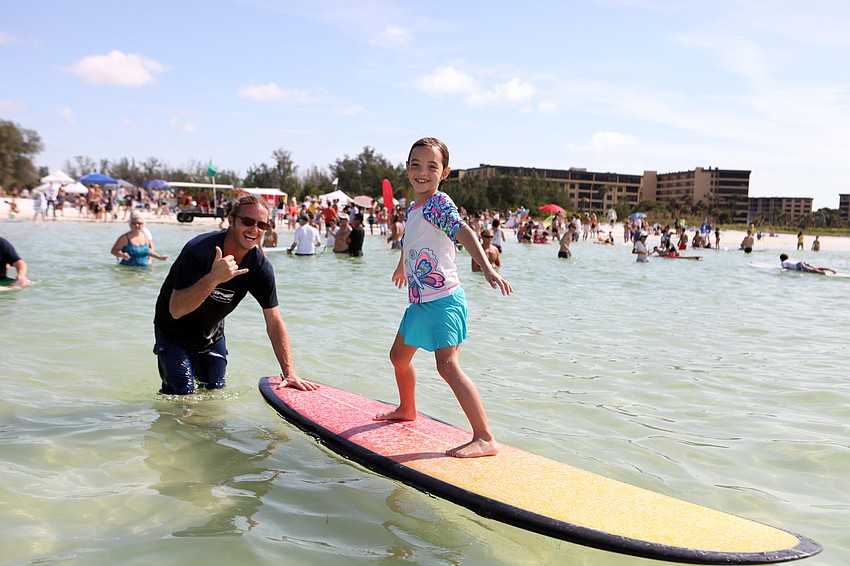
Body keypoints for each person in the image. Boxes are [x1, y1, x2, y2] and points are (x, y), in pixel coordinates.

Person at [374, 137, 512, 459]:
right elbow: (411, 241)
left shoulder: (438, 204)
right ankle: (407, 409)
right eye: (416, 165)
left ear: (444, 172)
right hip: (421, 302)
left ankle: (485, 437)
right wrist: (401, 266)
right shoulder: (413, 209)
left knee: (447, 366)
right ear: (407, 168)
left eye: (431, 166)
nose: (422, 172)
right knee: (398, 357)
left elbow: (464, 231)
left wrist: (488, 268)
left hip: (445, 299)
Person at [153, 195, 317, 395]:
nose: (254, 230)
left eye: (262, 225)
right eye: (248, 222)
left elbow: (274, 322)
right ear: (231, 220)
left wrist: (290, 373)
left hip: (211, 335)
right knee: (181, 394)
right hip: (173, 332)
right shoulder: (199, 250)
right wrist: (213, 278)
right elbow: (176, 310)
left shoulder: (259, 267)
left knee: (214, 392)